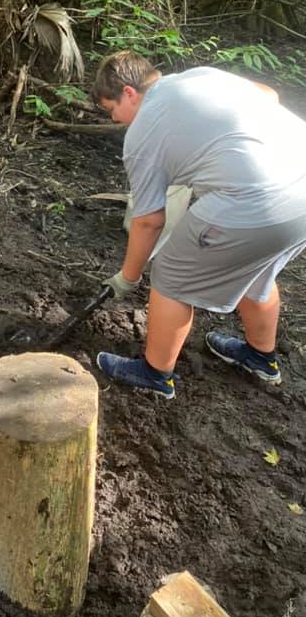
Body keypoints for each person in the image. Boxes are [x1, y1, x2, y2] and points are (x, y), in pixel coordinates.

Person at [91, 50, 306, 400]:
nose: (115, 119)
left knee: (171, 276)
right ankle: (260, 358)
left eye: (111, 109)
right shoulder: (201, 76)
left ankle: (155, 375)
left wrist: (128, 278)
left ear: (128, 92)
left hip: (257, 200)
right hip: (301, 181)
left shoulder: (142, 133)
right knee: (257, 270)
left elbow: (148, 221)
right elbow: (270, 95)